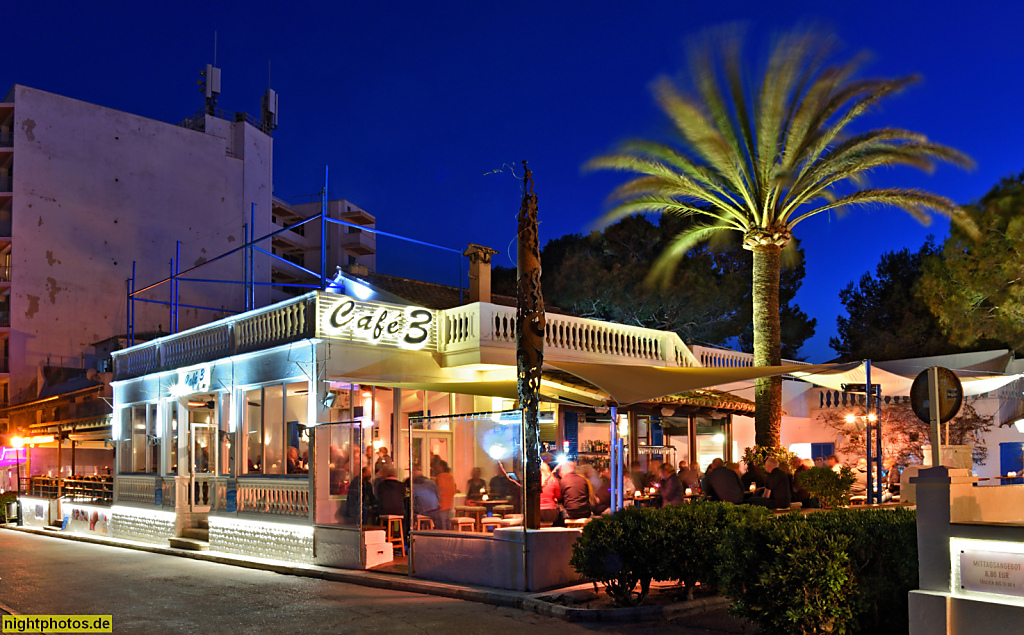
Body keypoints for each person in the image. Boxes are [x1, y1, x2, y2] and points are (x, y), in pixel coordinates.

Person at [434, 461, 456, 530]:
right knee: (448, 523)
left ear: (441, 467)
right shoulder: (450, 476)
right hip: (449, 503)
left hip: (441, 504)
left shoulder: (440, 477)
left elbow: (440, 490)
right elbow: (453, 489)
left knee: (442, 524)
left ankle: (443, 538)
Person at [539, 461, 562, 525]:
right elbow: (559, 496)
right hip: (551, 512)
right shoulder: (553, 480)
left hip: (536, 513)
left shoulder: (534, 481)